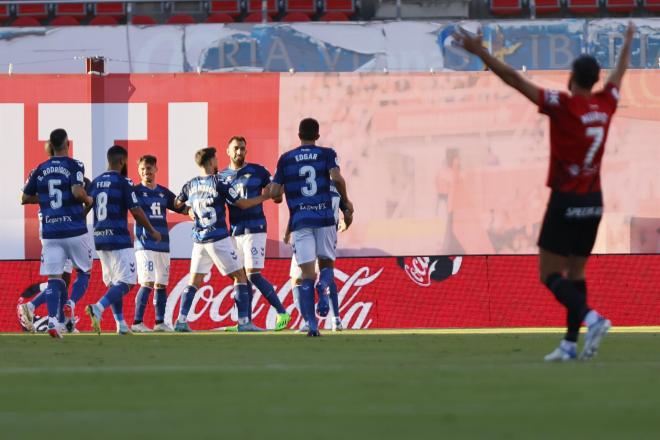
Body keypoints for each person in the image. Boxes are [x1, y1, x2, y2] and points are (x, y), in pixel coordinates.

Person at [453, 22, 635, 361]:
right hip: (594, 201)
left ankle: (592, 318)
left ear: (571, 78)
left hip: (566, 200)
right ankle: (569, 344)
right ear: (595, 80)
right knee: (577, 273)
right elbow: (619, 76)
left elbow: (515, 80)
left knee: (549, 273)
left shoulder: (563, 105)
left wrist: (481, 53)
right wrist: (627, 42)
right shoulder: (606, 104)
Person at [270, 118, 354, 337]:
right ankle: (323, 288)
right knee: (326, 265)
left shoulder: (286, 159)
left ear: (298, 134)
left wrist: (278, 196)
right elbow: (337, 178)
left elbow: (275, 192)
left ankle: (312, 324)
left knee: (306, 275)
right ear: (317, 135)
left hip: (301, 222)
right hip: (325, 218)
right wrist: (346, 203)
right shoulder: (327, 153)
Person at [173, 147, 270, 332]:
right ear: (211, 162)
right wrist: (263, 197)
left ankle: (181, 321)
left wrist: (189, 211)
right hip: (217, 238)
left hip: (199, 240)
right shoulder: (220, 181)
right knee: (240, 276)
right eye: (216, 159)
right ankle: (244, 323)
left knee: (194, 281)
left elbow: (177, 204)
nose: (218, 162)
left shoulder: (190, 184)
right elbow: (241, 204)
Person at [20, 128, 94, 338]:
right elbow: (77, 192)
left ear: (50, 146)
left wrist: (44, 199)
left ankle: (54, 321)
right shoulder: (74, 165)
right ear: (67, 144)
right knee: (83, 273)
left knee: (56, 278)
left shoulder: (38, 169)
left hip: (50, 231)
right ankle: (69, 305)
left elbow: (24, 198)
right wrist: (88, 200)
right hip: (74, 229)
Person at [85, 145, 161, 335]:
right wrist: (152, 230)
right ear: (122, 162)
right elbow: (135, 210)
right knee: (127, 282)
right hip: (118, 239)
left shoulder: (95, 182)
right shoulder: (123, 182)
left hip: (100, 239)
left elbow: (85, 209)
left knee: (114, 283)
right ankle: (98, 308)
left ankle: (121, 325)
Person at [218, 136, 291, 331]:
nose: (239, 152)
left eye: (242, 148)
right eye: (235, 148)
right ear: (228, 151)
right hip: (234, 231)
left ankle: (282, 311)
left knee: (253, 274)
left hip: (255, 229)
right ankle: (244, 321)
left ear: (246, 151)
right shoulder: (221, 176)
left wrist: (275, 194)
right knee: (239, 277)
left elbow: (275, 194)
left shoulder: (258, 171)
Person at [132, 155, 187, 333]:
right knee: (147, 282)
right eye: (142, 169)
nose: (146, 172)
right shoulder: (135, 191)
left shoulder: (163, 192)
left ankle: (159, 322)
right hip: (144, 244)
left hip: (163, 244)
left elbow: (181, 208)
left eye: (149, 168)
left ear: (156, 169)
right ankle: (137, 322)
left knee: (161, 284)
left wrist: (195, 210)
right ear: (139, 171)